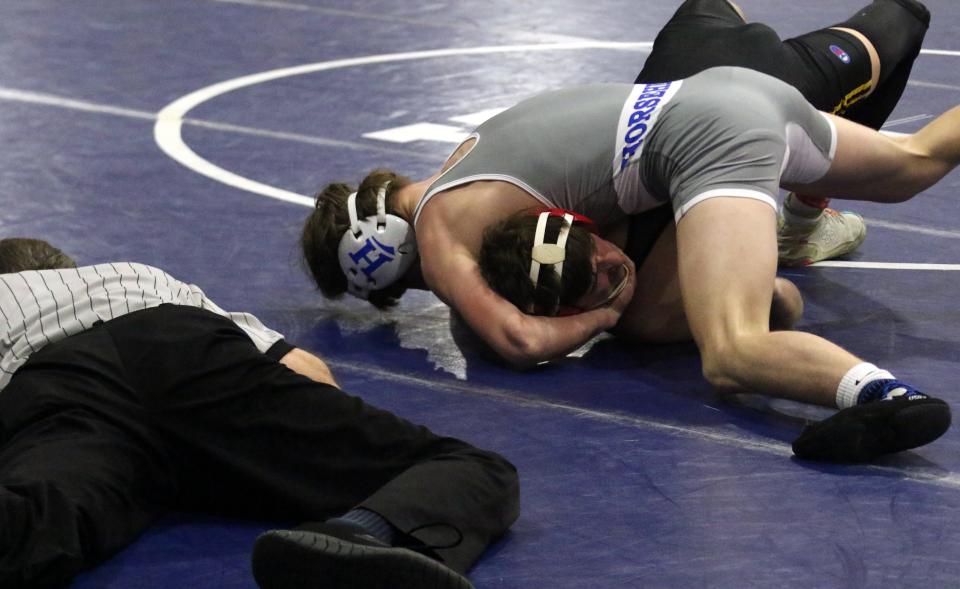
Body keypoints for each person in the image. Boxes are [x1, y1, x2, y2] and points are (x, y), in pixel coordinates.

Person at [0, 238, 519, 589]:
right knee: (468, 468)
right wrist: (279, 451)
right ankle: (357, 533)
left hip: (62, 393)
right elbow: (306, 371)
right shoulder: (137, 276)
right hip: (182, 351)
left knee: (37, 525)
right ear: (65, 267)